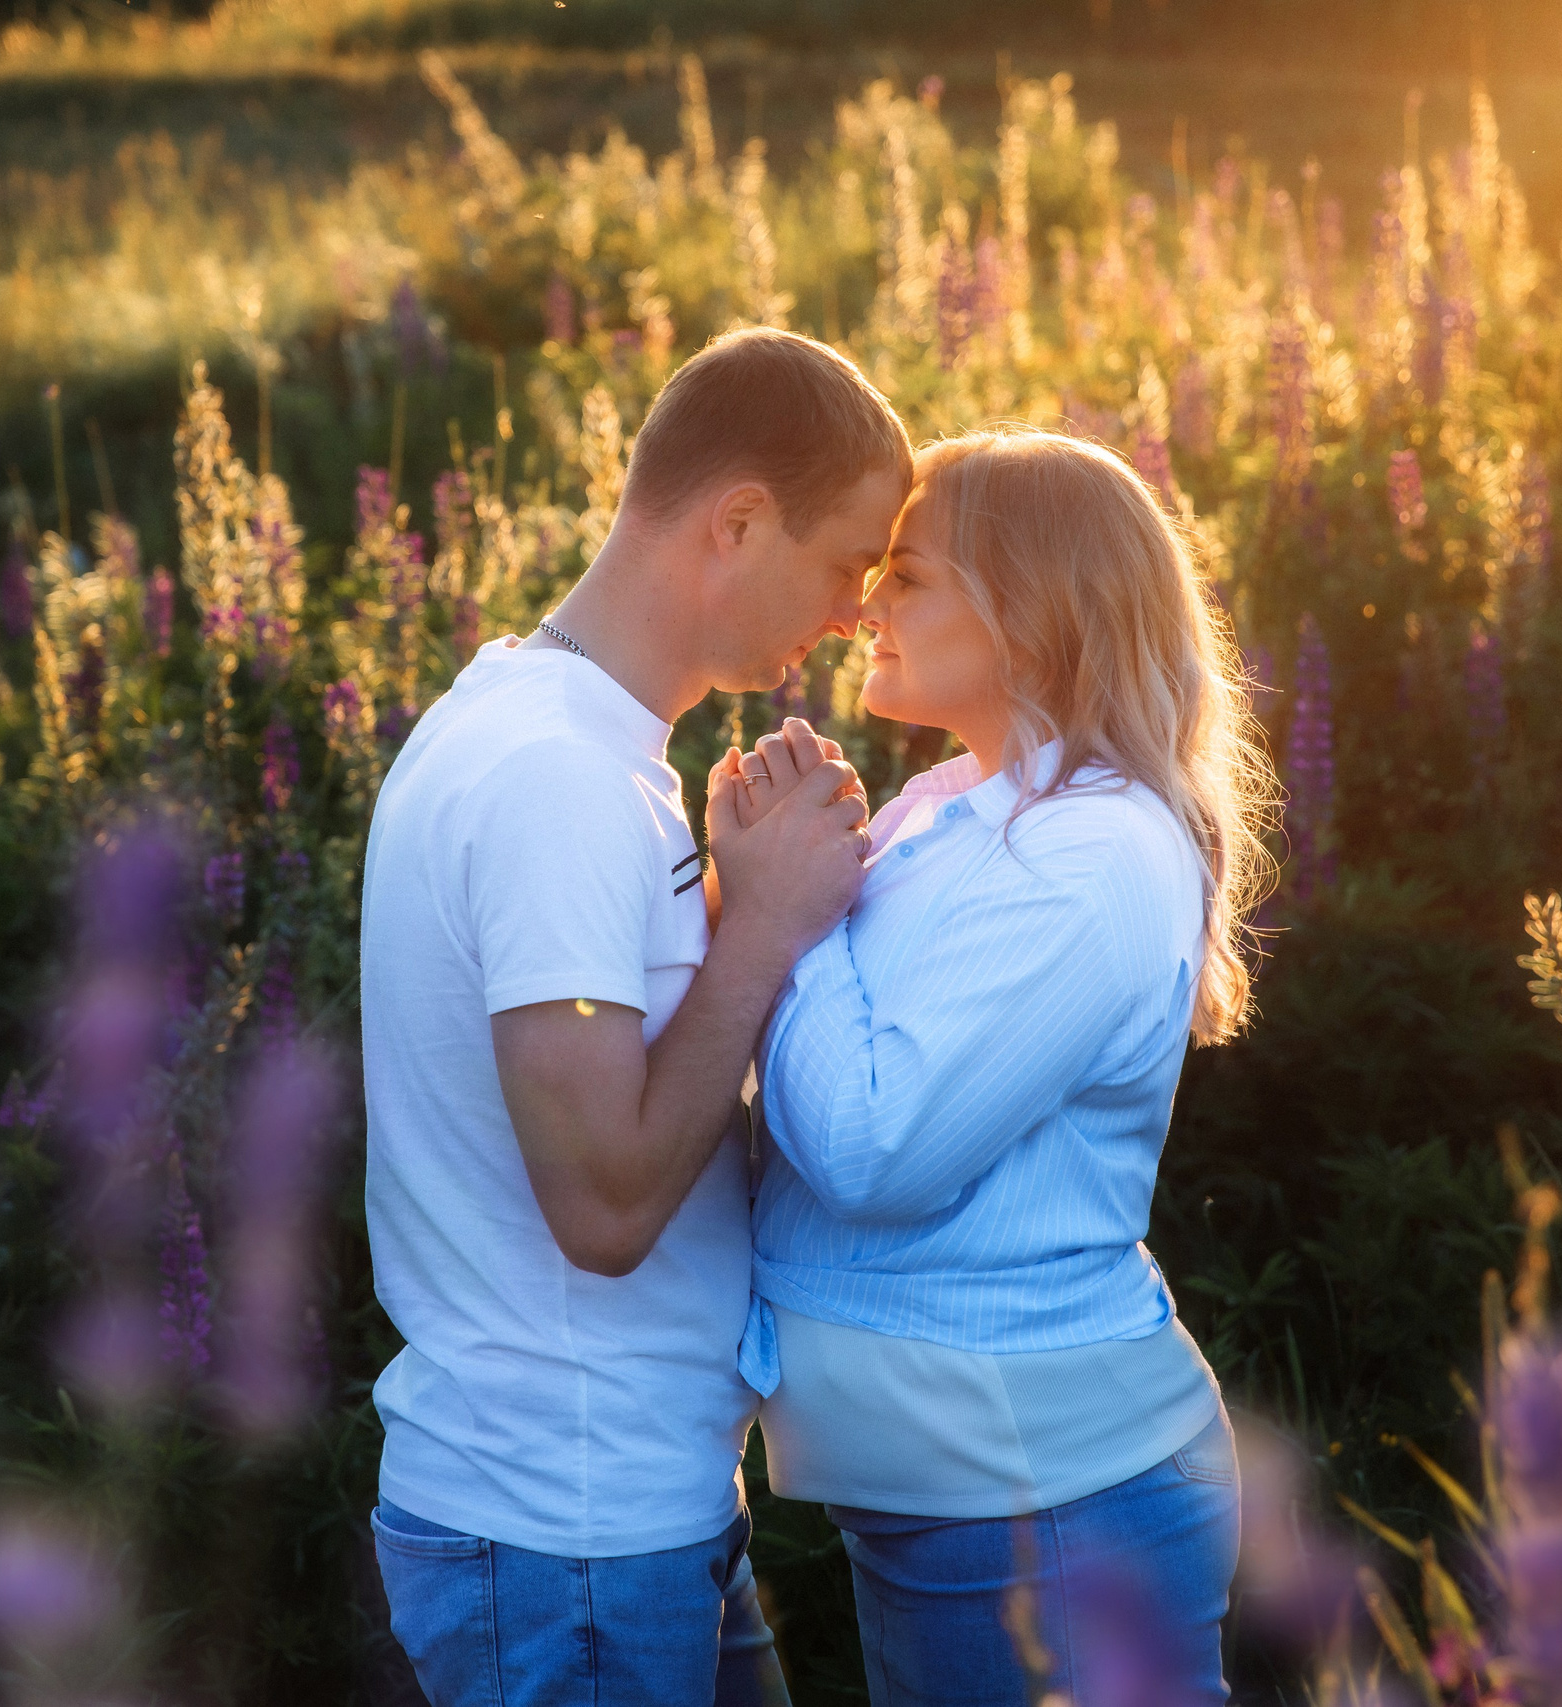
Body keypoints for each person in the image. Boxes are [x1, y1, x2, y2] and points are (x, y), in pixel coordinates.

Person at [359, 326, 910, 1707]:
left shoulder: (574, 744)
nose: (856, 610)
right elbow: (602, 1203)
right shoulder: (555, 780)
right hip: (565, 1539)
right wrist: (768, 927)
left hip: (621, 1517)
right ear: (738, 519)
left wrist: (730, 903)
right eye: (848, 560)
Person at [730, 427, 1275, 1706]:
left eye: (909, 574)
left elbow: (871, 1145)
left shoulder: (1100, 855)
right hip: (957, 1486)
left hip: (1041, 1501)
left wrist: (781, 921)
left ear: (1032, 615)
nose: (867, 598)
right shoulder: (941, 809)